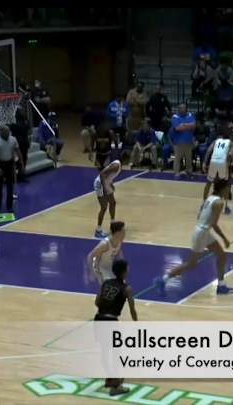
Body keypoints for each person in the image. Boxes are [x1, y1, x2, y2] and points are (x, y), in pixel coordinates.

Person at [155, 179, 233, 295]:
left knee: (222, 255)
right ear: (223, 188)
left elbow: (200, 215)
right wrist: (224, 239)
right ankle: (163, 280)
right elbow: (214, 224)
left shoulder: (210, 198)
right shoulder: (218, 203)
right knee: (191, 264)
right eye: (228, 188)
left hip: (203, 231)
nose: (229, 191)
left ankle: (221, 285)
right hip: (202, 233)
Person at [95, 259, 138, 396]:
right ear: (124, 272)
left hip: (99, 318)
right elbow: (132, 309)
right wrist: (137, 324)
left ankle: (110, 378)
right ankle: (116, 386)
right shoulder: (127, 288)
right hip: (111, 321)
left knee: (105, 351)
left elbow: (97, 302)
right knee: (116, 353)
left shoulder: (106, 283)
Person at [94, 151, 131, 238]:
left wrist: (110, 184)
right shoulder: (116, 166)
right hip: (100, 183)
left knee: (113, 203)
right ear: (126, 159)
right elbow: (102, 174)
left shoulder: (119, 165)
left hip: (106, 183)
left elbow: (108, 176)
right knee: (104, 207)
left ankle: (113, 225)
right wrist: (104, 188)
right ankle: (98, 231)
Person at [203, 122, 233, 215]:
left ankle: (203, 204)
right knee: (226, 184)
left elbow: (208, 151)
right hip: (222, 162)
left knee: (208, 183)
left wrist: (204, 163)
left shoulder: (216, 141)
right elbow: (231, 154)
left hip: (213, 161)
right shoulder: (231, 143)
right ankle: (226, 207)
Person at [0, 126, 22, 216]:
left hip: (9, 163)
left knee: (10, 186)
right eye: (6, 132)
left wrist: (21, 162)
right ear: (1, 132)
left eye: (8, 132)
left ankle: (9, 206)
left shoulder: (13, 139)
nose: (8, 134)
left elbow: (17, 150)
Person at [170, 103, 196, 179]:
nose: (182, 109)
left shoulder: (190, 115)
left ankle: (189, 172)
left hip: (188, 141)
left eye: (183, 108)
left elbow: (194, 125)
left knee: (189, 159)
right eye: (180, 108)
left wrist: (183, 125)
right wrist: (188, 125)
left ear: (186, 109)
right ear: (178, 109)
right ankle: (176, 173)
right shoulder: (175, 117)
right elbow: (177, 128)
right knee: (177, 159)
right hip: (178, 142)